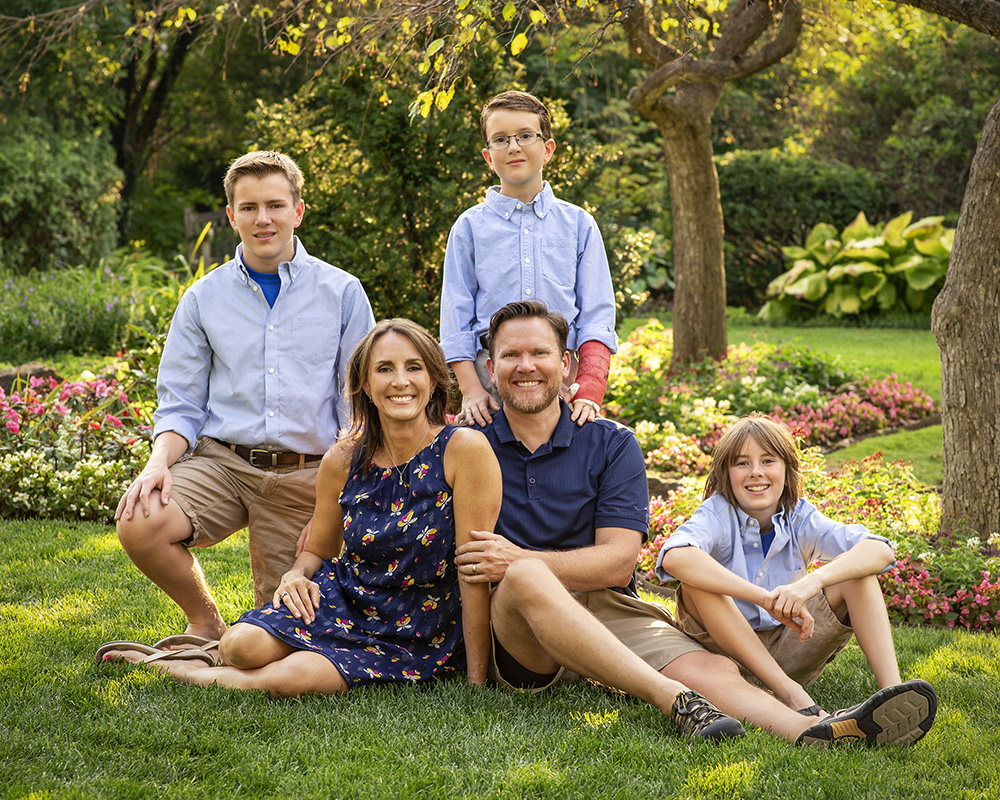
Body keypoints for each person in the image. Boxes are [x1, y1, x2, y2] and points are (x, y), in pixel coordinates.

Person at [455, 300, 938, 746]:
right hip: (521, 622)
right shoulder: (467, 443)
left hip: (606, 606)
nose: (525, 366)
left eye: (539, 352)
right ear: (490, 370)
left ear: (566, 366)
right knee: (522, 575)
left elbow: (618, 562)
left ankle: (812, 728)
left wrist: (519, 556)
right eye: (510, 355)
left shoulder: (610, 443)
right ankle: (674, 703)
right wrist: (518, 572)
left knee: (707, 666)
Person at [97, 320, 500, 695]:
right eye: (384, 369)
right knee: (241, 646)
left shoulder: (463, 450)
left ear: (433, 381)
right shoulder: (343, 458)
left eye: (414, 368)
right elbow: (318, 550)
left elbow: (473, 568)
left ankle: (179, 668)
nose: (400, 381)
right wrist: (294, 575)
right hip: (350, 599)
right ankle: (220, 656)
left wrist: (477, 679)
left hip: (419, 622)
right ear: (363, 382)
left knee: (293, 678)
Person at [114, 150, 375, 645]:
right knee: (140, 520)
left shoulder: (341, 292)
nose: (263, 219)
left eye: (275, 205)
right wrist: (157, 464)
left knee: (283, 634)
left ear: (297, 210)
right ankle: (205, 622)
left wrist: (337, 496)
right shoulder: (202, 299)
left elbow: (358, 403)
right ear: (231, 215)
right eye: (249, 208)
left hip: (308, 473)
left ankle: (254, 625)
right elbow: (181, 403)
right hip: (224, 466)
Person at [656, 413, 920, 716]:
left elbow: (880, 550)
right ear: (725, 473)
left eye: (768, 461)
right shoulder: (717, 513)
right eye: (742, 463)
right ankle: (790, 694)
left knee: (857, 574)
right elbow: (677, 556)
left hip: (791, 647)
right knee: (696, 583)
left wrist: (811, 583)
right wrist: (763, 598)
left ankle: (894, 695)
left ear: (786, 469)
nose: (756, 472)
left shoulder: (799, 515)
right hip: (723, 659)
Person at [439, 90, 617, 428]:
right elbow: (454, 322)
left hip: (564, 388)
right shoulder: (469, 228)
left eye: (525, 136)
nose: (514, 147)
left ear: (548, 149)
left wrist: (590, 389)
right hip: (490, 393)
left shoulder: (578, 225)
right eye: (501, 140)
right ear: (488, 156)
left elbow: (597, 317)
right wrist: (472, 390)